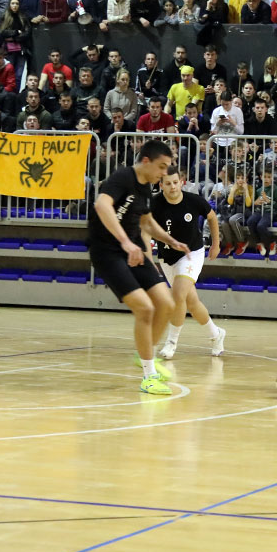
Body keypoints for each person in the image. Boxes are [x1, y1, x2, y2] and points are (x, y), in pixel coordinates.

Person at [90, 139, 191, 395]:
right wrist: (125, 241)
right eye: (162, 167)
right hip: (108, 252)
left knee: (166, 304)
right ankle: (149, 376)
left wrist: (170, 240)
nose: (164, 173)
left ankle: (144, 355)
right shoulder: (122, 177)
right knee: (145, 309)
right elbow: (101, 205)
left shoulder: (146, 187)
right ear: (146, 161)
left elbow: (146, 222)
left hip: (133, 250)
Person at [152, 166, 226, 360]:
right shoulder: (154, 204)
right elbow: (145, 229)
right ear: (161, 185)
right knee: (191, 303)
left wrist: (216, 244)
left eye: (175, 182)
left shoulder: (193, 201)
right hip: (167, 258)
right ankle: (216, 334)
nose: (173, 187)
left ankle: (171, 343)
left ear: (182, 182)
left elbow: (212, 217)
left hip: (191, 254)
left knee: (177, 295)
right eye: (168, 183)